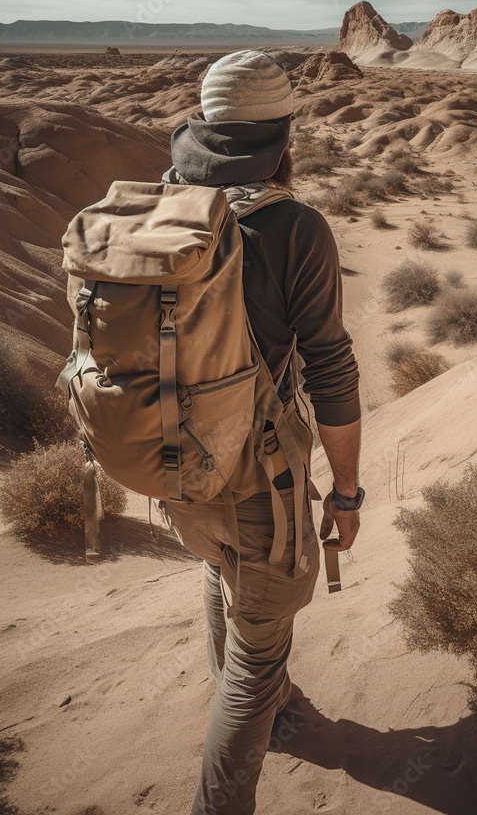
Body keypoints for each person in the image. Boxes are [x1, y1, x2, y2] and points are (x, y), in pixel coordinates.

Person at [159, 49, 362, 814]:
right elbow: (331, 375)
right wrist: (346, 492)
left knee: (220, 569)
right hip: (258, 484)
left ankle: (274, 710)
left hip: (170, 471)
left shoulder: (157, 205)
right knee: (256, 658)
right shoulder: (293, 226)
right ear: (282, 134)